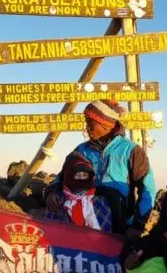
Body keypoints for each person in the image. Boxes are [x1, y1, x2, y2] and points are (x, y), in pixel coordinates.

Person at [45, 100, 156, 240]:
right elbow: (63, 177)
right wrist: (52, 192)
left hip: (120, 224)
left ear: (105, 124)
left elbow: (148, 189)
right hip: (83, 221)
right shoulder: (81, 150)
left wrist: (138, 225)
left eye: (90, 123)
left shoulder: (131, 150)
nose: (86, 127)